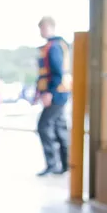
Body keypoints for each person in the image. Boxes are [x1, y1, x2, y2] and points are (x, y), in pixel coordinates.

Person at [35, 16, 73, 176]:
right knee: (59, 128)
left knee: (43, 126)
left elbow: (56, 73)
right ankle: (65, 164)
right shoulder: (53, 46)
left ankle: (53, 164)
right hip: (59, 93)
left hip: (57, 93)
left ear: (51, 27)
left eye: (43, 27)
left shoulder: (54, 47)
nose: (41, 31)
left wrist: (49, 93)